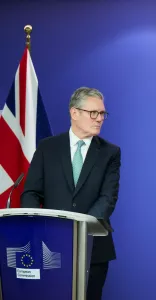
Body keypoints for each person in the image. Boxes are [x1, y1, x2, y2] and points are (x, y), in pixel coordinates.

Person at [21, 87, 121, 300]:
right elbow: (31, 192)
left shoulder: (110, 152)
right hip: (50, 246)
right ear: (74, 113)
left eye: (102, 113)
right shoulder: (48, 147)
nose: (99, 119)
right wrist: (37, 230)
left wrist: (78, 230)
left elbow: (107, 197)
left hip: (93, 248)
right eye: (93, 113)